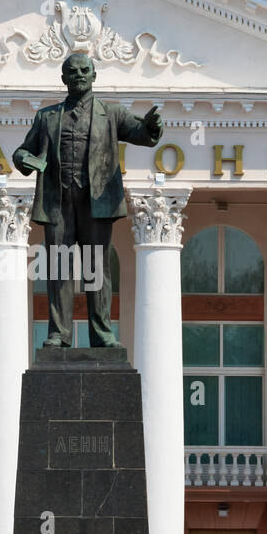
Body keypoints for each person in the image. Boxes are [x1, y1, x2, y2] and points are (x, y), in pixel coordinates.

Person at [11, 53, 162, 348]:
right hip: (58, 202)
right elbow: (21, 152)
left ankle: (102, 332)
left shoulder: (112, 113)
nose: (79, 75)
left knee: (97, 269)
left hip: (97, 201)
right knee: (59, 269)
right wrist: (27, 159)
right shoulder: (47, 117)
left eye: (84, 70)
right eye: (72, 71)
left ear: (94, 76)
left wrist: (152, 126)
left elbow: (141, 134)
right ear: (63, 78)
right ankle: (59, 333)